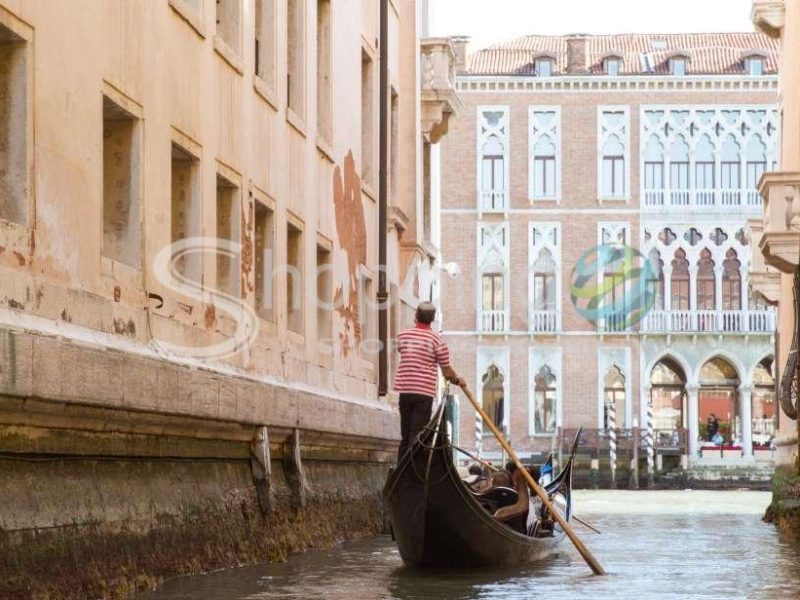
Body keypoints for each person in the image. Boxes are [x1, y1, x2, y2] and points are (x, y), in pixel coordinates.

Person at [394, 302, 465, 461]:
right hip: (423, 393)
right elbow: (447, 371)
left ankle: (401, 472)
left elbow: (401, 349)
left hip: (405, 391)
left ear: (416, 316)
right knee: (417, 436)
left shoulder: (403, 336)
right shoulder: (437, 341)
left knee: (405, 435)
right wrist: (458, 380)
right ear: (432, 319)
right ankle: (412, 475)